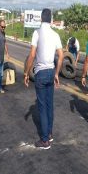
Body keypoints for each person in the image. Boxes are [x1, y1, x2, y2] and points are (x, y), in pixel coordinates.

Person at [24, 8, 63, 149]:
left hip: (40, 73)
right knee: (49, 105)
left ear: (41, 19)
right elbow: (61, 56)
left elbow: (32, 55)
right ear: (51, 19)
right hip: (51, 72)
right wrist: (57, 73)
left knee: (42, 108)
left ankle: (45, 140)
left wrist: (27, 73)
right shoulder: (55, 35)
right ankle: (50, 134)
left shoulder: (36, 33)